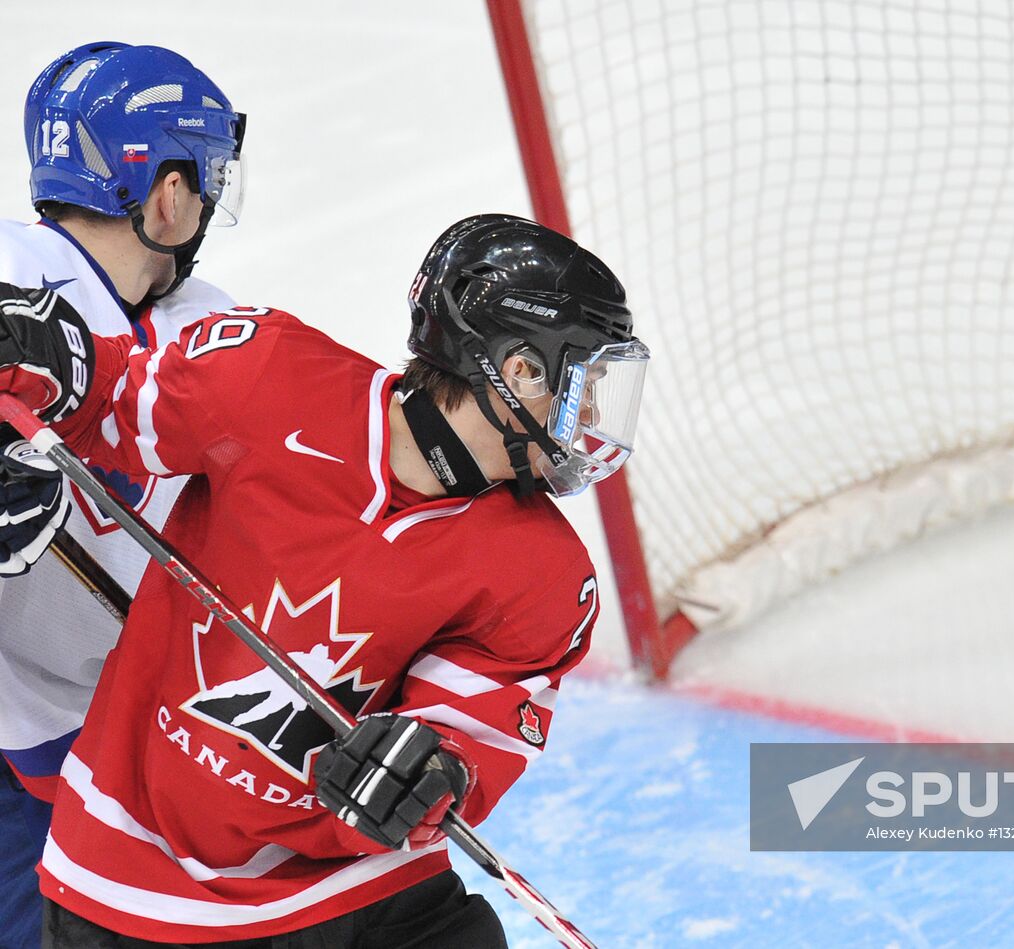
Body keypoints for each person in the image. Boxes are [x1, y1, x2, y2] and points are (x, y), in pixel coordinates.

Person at [0, 213, 649, 946]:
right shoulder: (270, 374)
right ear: (516, 368)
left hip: (349, 889)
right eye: (581, 382)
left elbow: (470, 729)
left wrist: (432, 771)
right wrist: (34, 360)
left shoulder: (545, 575)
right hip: (131, 876)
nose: (591, 419)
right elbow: (108, 400)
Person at [0, 42, 245, 947]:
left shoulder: (207, 317)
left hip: (145, 743)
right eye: (207, 173)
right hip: (30, 753)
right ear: (167, 191)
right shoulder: (11, 278)